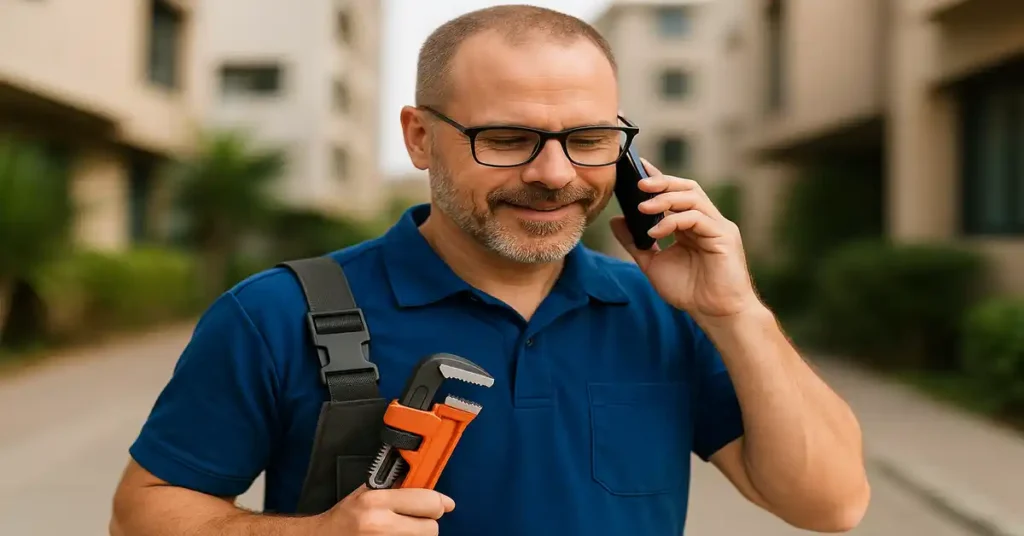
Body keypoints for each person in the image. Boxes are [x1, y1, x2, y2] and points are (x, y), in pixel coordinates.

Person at [109, 5, 870, 536]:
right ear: (419, 137)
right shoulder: (275, 313)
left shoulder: (666, 312)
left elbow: (829, 505)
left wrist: (736, 311)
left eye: (589, 138)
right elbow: (142, 514)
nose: (553, 172)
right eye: (506, 138)